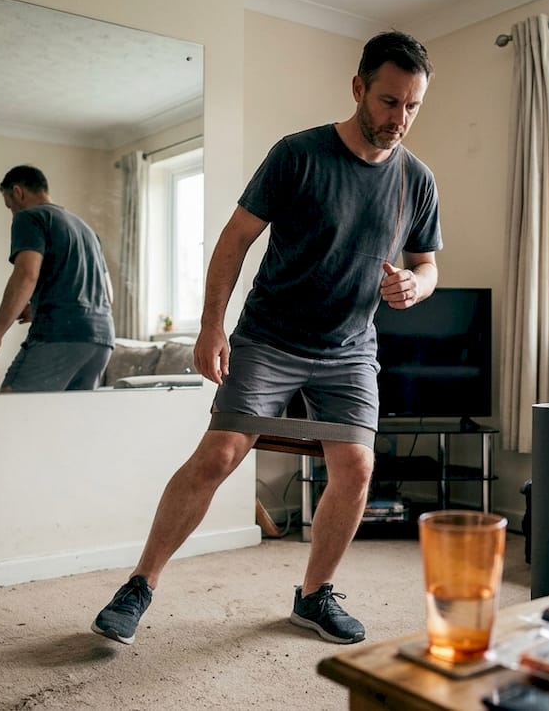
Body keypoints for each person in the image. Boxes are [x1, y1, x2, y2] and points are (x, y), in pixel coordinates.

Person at [92, 31, 441, 646]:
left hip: (350, 348)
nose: (400, 119)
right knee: (221, 453)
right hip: (271, 337)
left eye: (412, 106)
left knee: (357, 465)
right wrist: (210, 326)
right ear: (359, 88)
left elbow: (428, 264)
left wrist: (415, 285)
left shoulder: (418, 180)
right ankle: (140, 584)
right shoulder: (299, 155)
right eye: (389, 102)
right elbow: (233, 240)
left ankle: (313, 596)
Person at [0, 165, 115, 392]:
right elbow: (107, 295)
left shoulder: (31, 218)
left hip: (59, 335)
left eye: (9, 206)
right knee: (66, 419)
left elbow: (26, 275)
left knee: (13, 405)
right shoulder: (86, 229)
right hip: (101, 339)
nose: (12, 213)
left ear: (18, 192)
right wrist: (36, 306)